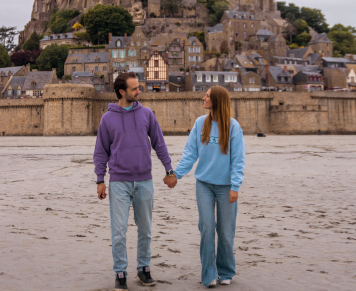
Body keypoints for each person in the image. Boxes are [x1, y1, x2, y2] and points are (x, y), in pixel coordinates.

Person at [94, 72, 175, 290]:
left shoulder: (147, 114)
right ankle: (120, 272)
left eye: (139, 87)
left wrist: (169, 169)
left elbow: (159, 144)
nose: (139, 91)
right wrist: (100, 179)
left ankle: (143, 268)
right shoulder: (107, 119)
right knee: (118, 230)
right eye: (134, 89)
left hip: (144, 181)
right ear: (122, 92)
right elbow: (101, 151)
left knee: (145, 229)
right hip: (118, 182)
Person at [164, 86, 245, 288]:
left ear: (217, 100)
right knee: (207, 227)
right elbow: (190, 154)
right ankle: (209, 273)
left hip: (226, 187)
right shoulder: (201, 123)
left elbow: (238, 160)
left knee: (226, 232)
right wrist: (175, 175)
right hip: (204, 186)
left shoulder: (233, 127)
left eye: (207, 96)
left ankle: (226, 271)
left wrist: (235, 186)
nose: (203, 98)